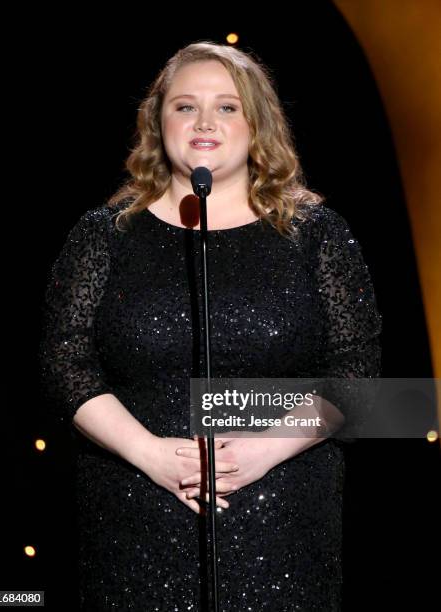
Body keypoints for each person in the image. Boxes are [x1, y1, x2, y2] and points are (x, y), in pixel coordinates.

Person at [39, 41, 382, 611]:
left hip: (283, 522)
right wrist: (149, 454)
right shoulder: (103, 235)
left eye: (227, 107)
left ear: (257, 124)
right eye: (184, 106)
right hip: (137, 514)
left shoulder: (316, 235)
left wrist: (266, 449)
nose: (204, 122)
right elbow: (64, 363)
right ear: (158, 122)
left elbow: (358, 371)